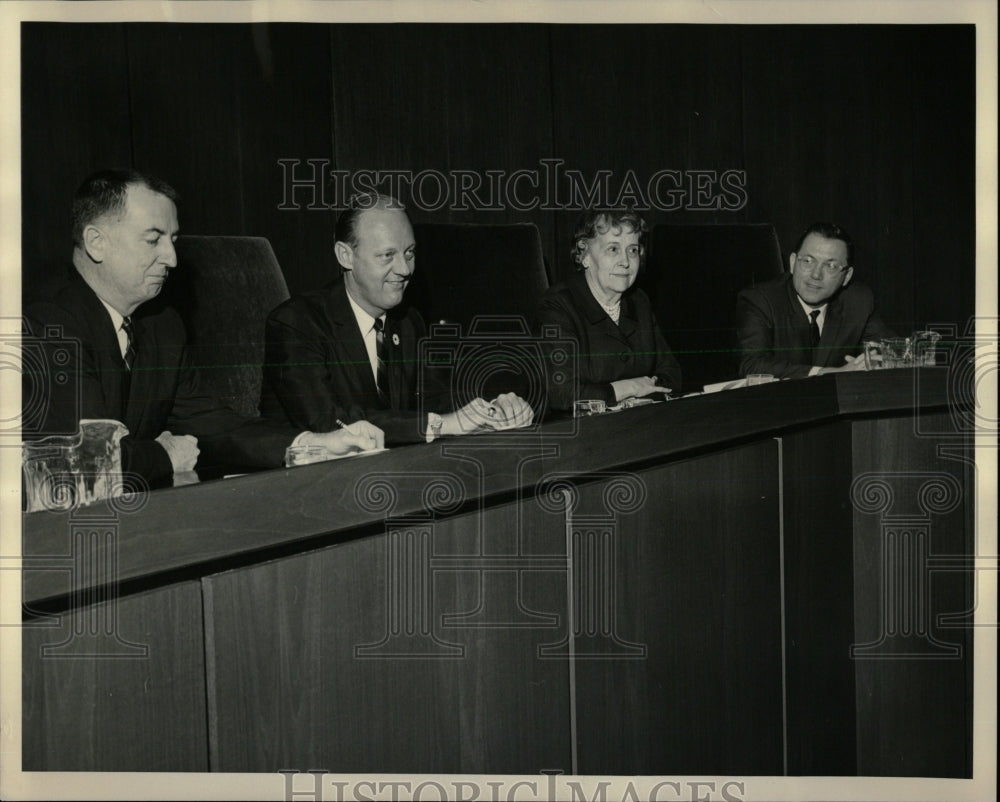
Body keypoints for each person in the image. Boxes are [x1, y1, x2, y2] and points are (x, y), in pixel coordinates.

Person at [23, 170, 383, 487]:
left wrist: (316, 443)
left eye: (173, 241)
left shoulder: (163, 326)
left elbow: (217, 425)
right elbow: (87, 464)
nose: (172, 259)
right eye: (153, 240)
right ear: (96, 242)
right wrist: (165, 455)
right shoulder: (47, 325)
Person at [262, 193, 534, 444]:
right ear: (346, 256)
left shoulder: (407, 321)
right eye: (387, 255)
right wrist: (442, 424)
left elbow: (437, 402)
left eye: (409, 253)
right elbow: (326, 420)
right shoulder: (295, 323)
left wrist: (492, 410)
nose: (404, 269)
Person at [534, 209, 682, 410]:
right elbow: (561, 393)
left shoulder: (639, 301)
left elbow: (672, 375)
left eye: (633, 250)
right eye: (613, 249)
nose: (625, 262)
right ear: (584, 255)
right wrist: (631, 387)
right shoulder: (557, 306)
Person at [736, 221, 895, 379]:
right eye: (808, 261)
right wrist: (827, 373)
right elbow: (752, 365)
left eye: (831, 266)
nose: (816, 275)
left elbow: (886, 350)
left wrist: (871, 363)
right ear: (792, 263)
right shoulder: (761, 300)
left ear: (846, 276)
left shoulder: (858, 300)